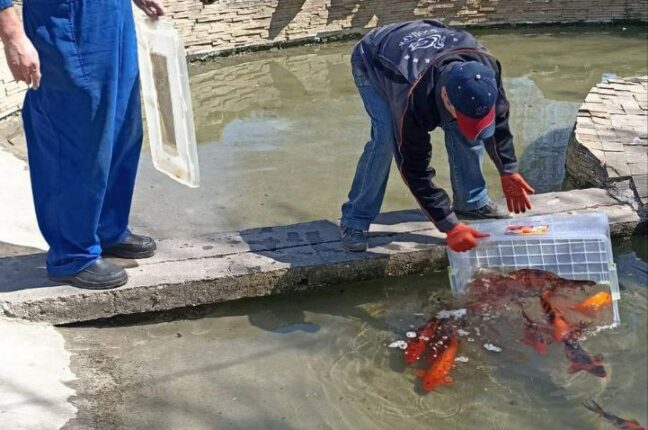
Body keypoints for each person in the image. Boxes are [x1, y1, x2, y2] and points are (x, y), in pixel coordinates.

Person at [0, 0, 165, 289]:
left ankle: (106, 229)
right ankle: (71, 255)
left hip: (113, 16)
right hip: (66, 19)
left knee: (121, 126)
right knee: (74, 136)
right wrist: (12, 34)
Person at [340, 19, 535, 253]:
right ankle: (355, 219)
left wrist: (508, 169)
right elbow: (414, 168)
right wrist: (449, 225)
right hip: (374, 58)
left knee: (466, 133)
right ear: (445, 98)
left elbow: (500, 121)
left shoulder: (486, 71)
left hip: (427, 46)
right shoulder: (411, 99)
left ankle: (472, 201)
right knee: (385, 141)